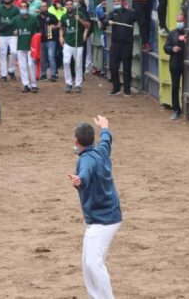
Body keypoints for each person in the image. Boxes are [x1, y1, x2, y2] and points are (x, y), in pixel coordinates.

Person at [68, 115, 122, 299]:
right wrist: (105, 127)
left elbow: (85, 173)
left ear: (76, 140)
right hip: (107, 217)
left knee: (92, 263)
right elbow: (106, 139)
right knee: (88, 262)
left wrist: (79, 180)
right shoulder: (101, 150)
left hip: (102, 221)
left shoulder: (86, 160)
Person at [102, 0, 135, 97]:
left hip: (127, 44)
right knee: (113, 66)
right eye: (115, 1)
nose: (116, 3)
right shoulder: (112, 13)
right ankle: (116, 87)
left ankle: (127, 89)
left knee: (127, 67)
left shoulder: (130, 13)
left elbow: (138, 19)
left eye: (118, 1)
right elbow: (105, 21)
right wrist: (109, 21)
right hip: (115, 44)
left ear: (122, 2)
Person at [60, 0, 90, 94]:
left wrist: (79, 19)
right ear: (65, 6)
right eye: (67, 5)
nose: (69, 6)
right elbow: (62, 27)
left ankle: (78, 84)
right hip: (68, 43)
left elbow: (87, 26)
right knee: (66, 62)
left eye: (70, 4)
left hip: (78, 44)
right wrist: (61, 36)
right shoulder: (64, 16)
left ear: (73, 5)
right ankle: (68, 83)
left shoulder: (80, 13)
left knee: (78, 65)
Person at [11, 1, 40, 93]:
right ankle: (26, 85)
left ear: (28, 8)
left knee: (31, 65)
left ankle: (34, 85)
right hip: (20, 45)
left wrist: (36, 40)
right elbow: (9, 27)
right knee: (22, 66)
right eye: (21, 7)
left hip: (31, 46)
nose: (23, 8)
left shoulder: (33, 19)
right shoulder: (16, 19)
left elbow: (39, 29)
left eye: (25, 7)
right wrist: (13, 32)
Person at [164, 14, 186, 120]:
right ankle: (176, 109)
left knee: (188, 87)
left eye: (181, 21)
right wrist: (173, 48)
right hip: (175, 63)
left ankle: (188, 109)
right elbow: (166, 47)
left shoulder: (188, 33)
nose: (179, 23)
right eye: (177, 21)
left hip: (186, 64)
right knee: (175, 87)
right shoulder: (172, 33)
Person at [0, 0, 20, 81]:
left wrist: (17, 29)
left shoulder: (16, 9)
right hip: (2, 34)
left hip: (12, 34)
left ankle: (11, 70)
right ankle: (3, 75)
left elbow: (18, 20)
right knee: (2, 54)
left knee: (14, 52)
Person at [38, 0, 61, 81]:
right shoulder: (37, 17)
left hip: (51, 39)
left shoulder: (51, 16)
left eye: (44, 6)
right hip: (41, 40)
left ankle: (53, 74)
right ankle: (43, 75)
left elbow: (59, 23)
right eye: (41, 7)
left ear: (46, 7)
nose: (43, 8)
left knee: (51, 57)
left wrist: (55, 27)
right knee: (43, 58)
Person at [95, 0, 108, 76]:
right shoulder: (99, 7)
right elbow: (99, 21)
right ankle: (104, 69)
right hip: (104, 32)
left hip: (115, 32)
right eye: (103, 0)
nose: (104, 2)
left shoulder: (114, 3)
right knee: (105, 50)